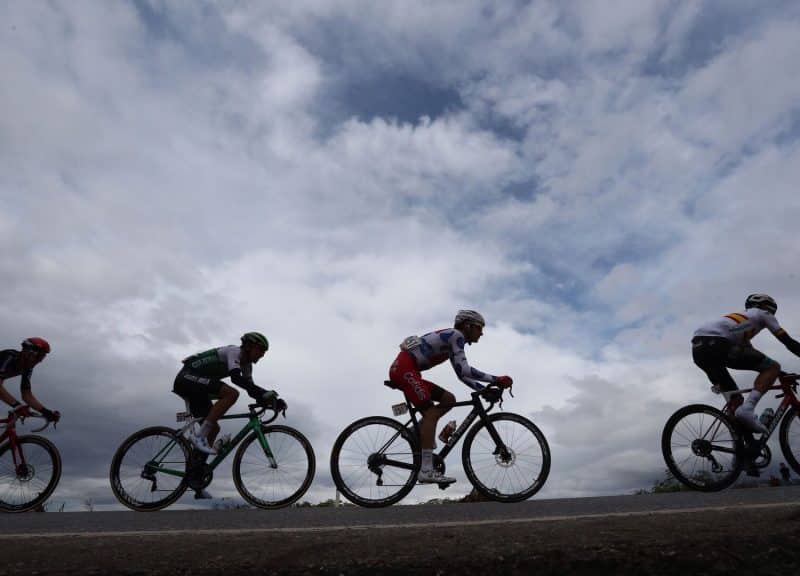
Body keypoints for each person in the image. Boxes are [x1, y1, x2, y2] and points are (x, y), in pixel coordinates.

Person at [389, 310, 513, 484]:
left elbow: (462, 375)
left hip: (407, 370)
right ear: (468, 326)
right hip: (405, 371)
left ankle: (416, 431)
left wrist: (482, 389)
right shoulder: (456, 336)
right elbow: (466, 370)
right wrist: (496, 379)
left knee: (449, 400)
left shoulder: (451, 340)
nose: (481, 332)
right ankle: (426, 470)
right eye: (479, 328)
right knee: (431, 413)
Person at [692, 294, 800, 435]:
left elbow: (752, 354)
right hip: (718, 344)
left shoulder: (738, 325)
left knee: (735, 402)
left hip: (699, 350)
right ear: (765, 305)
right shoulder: (763, 313)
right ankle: (748, 408)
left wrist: (779, 374)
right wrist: (776, 370)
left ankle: (741, 452)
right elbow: (787, 341)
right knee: (773, 366)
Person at [0, 338, 60, 423]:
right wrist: (17, 406)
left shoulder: (27, 369)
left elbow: (27, 395)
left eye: (41, 358)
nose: (38, 361)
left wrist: (46, 412)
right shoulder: (9, 356)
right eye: (37, 357)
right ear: (26, 352)